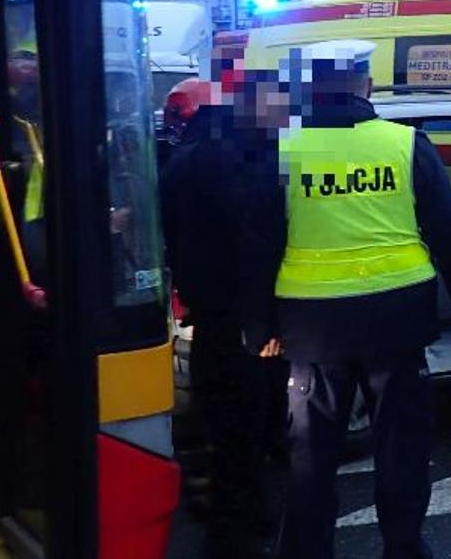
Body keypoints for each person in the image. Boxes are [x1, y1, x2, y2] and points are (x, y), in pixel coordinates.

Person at [257, 40, 451, 559]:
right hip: (397, 321)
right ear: (366, 84)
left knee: (311, 454)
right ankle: (403, 548)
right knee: (401, 447)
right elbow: (450, 234)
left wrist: (260, 324)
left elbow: (259, 243)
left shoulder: (282, 151)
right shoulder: (405, 145)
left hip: (314, 327)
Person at [158, 74, 288, 558]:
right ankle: (242, 531)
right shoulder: (243, 160)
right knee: (249, 431)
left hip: (208, 315)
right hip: (248, 318)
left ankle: (231, 520)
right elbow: (257, 244)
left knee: (224, 426)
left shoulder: (184, 160)